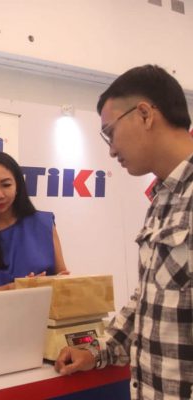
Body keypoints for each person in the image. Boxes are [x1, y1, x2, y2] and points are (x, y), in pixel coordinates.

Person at [54, 65, 193, 400]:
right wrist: (97, 351)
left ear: (144, 114)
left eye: (110, 132)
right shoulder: (163, 198)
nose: (112, 150)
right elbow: (150, 300)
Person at [0, 152, 68, 293]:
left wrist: (61, 281)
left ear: (18, 186)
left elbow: (62, 275)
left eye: (6, 185)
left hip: (48, 307)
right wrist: (16, 287)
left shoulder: (44, 223)